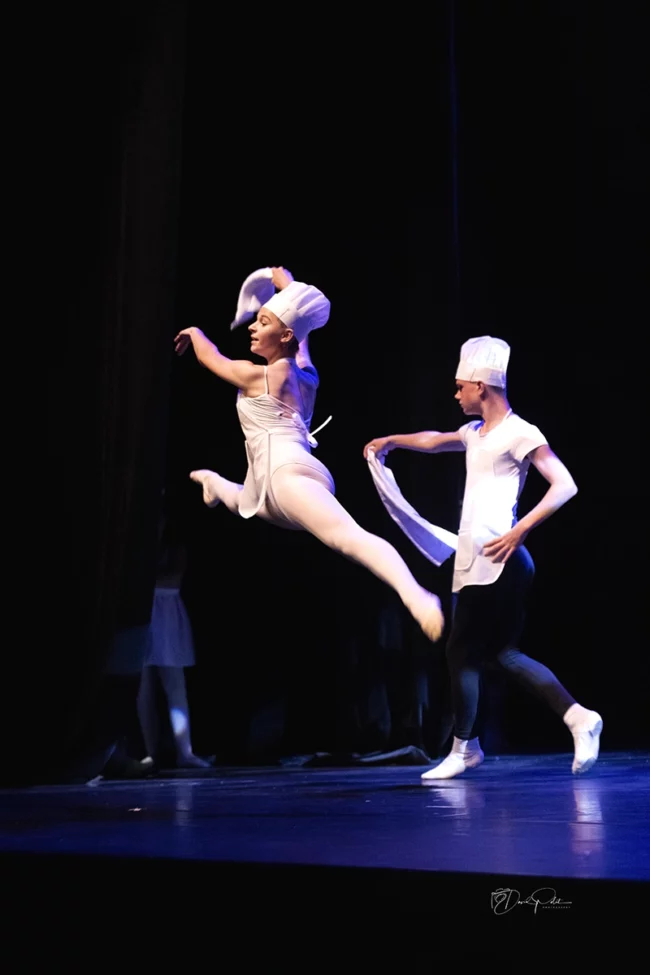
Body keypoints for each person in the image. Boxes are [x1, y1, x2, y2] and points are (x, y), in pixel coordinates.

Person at [364, 335, 602, 778]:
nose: (456, 395)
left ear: (482, 387)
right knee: (498, 654)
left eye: (460, 387)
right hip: (479, 557)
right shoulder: (475, 433)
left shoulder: (520, 432)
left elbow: (564, 484)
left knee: (461, 651)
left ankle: (465, 747)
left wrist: (519, 531)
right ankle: (577, 717)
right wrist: (390, 441)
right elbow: (435, 441)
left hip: (500, 556)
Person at [173, 267, 444, 644]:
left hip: (285, 476)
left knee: (350, 540)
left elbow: (212, 359)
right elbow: (303, 344)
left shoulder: (261, 376)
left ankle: (417, 596)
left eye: (262, 322)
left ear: (283, 335)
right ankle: (215, 484)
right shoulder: (306, 376)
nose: (253, 327)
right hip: (275, 482)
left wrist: (195, 333)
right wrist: (287, 286)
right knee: (246, 500)